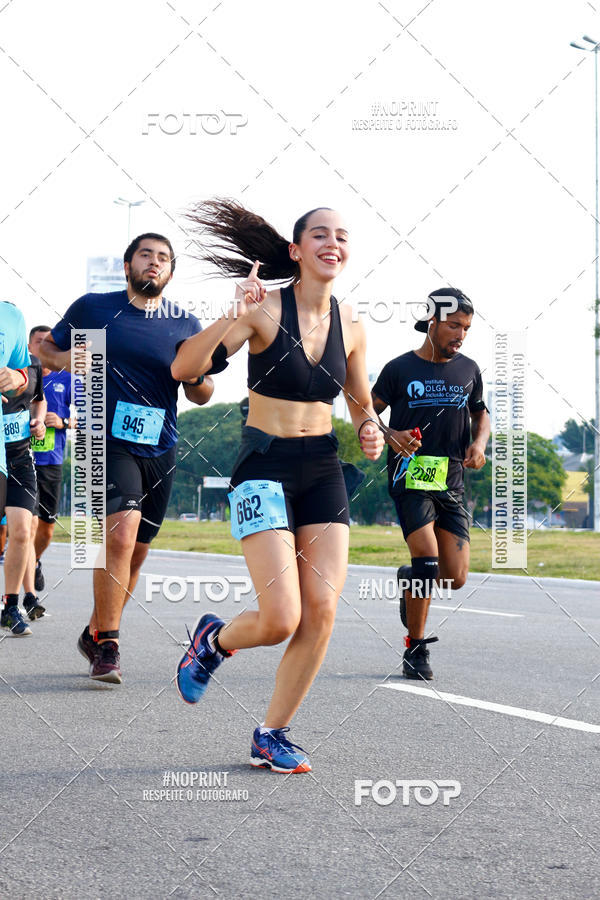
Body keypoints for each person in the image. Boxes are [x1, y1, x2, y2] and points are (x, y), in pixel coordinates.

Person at [171, 200, 384, 774]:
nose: (331, 242)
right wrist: (231, 313)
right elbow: (185, 369)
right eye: (319, 234)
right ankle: (212, 643)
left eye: (341, 235)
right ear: (296, 250)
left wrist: (370, 429)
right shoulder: (263, 311)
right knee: (280, 618)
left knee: (321, 611)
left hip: (322, 467)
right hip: (264, 464)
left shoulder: (353, 324)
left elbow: (359, 400)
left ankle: (273, 732)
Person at [39, 234, 214, 683]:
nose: (154, 263)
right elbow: (47, 351)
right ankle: (110, 645)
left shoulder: (185, 323)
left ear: (170, 272)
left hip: (161, 444)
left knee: (135, 554)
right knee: (118, 539)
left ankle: (94, 630)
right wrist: (72, 359)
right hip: (106, 441)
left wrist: (196, 378)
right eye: (146, 256)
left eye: (163, 259)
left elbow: (202, 392)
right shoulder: (94, 308)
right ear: (127, 265)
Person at [371, 288, 490, 680]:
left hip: (452, 479)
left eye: (467, 328)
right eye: (454, 325)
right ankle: (415, 648)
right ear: (432, 322)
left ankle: (411, 580)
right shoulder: (399, 369)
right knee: (427, 560)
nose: (461, 334)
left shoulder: (469, 369)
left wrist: (478, 443)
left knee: (454, 577)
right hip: (410, 474)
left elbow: (481, 414)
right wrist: (390, 434)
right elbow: (365, 410)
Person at [26, 326, 73, 596]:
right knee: (25, 523)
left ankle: (33, 561)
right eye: (39, 342)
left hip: (51, 462)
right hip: (20, 459)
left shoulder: (66, 379)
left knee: (46, 528)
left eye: (48, 342)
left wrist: (64, 421)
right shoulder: (19, 375)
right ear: (31, 347)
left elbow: (90, 417)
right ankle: (22, 591)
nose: (44, 347)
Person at [3, 351, 47, 625]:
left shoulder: (33, 364)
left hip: (20, 459)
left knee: (21, 531)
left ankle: (11, 607)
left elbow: (39, 400)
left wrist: (39, 421)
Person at [0, 301, 31, 636]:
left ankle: (12, 604)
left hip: (16, 453)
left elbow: (28, 377)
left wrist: (18, 376)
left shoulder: (11, 316)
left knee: (23, 529)